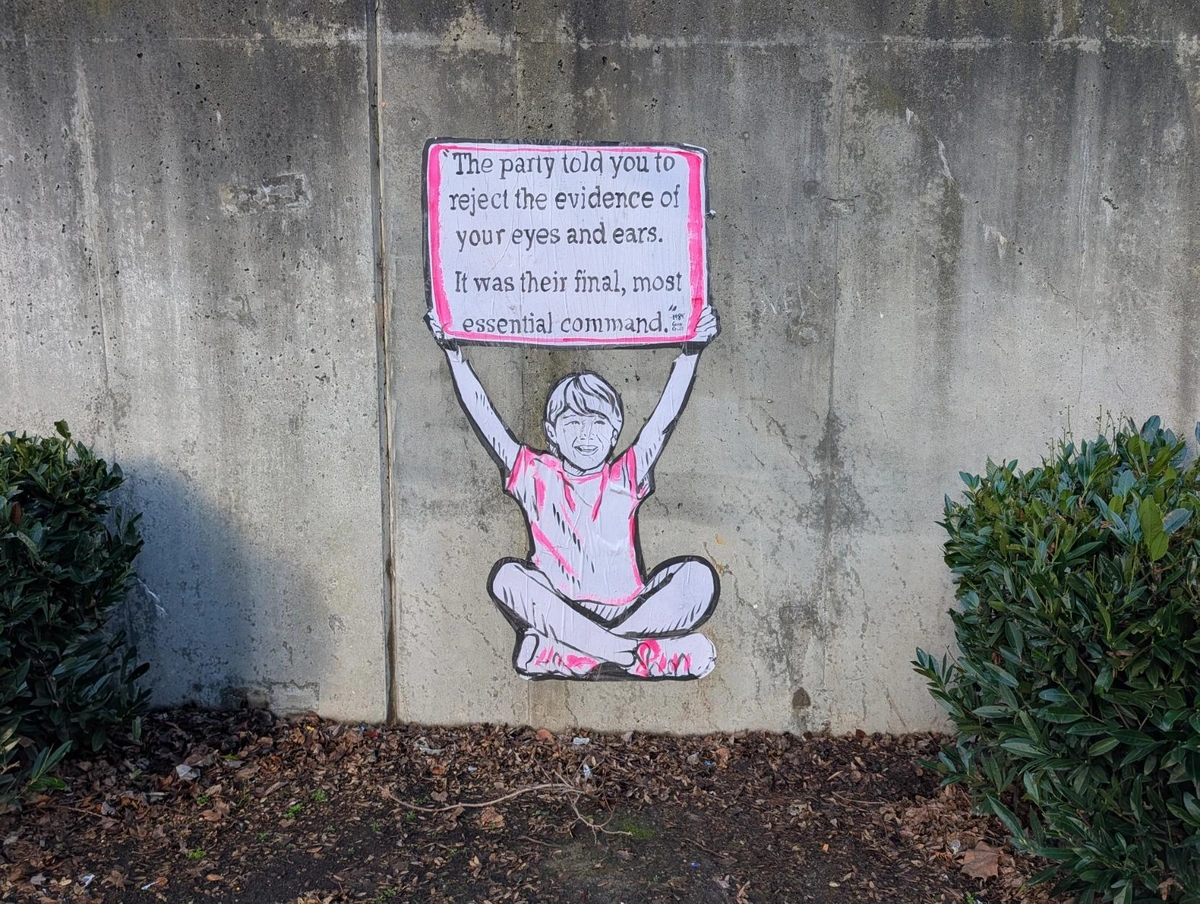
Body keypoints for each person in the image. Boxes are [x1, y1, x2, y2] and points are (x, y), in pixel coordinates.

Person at [428, 308, 721, 680]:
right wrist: (453, 354)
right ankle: (628, 654)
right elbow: (486, 420)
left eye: (598, 423)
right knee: (508, 578)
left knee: (698, 578)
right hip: (561, 611)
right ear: (552, 431)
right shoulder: (534, 474)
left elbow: (661, 422)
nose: (586, 435)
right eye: (573, 422)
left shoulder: (625, 475)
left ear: (615, 431)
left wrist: (690, 353)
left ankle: (574, 653)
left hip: (630, 611)